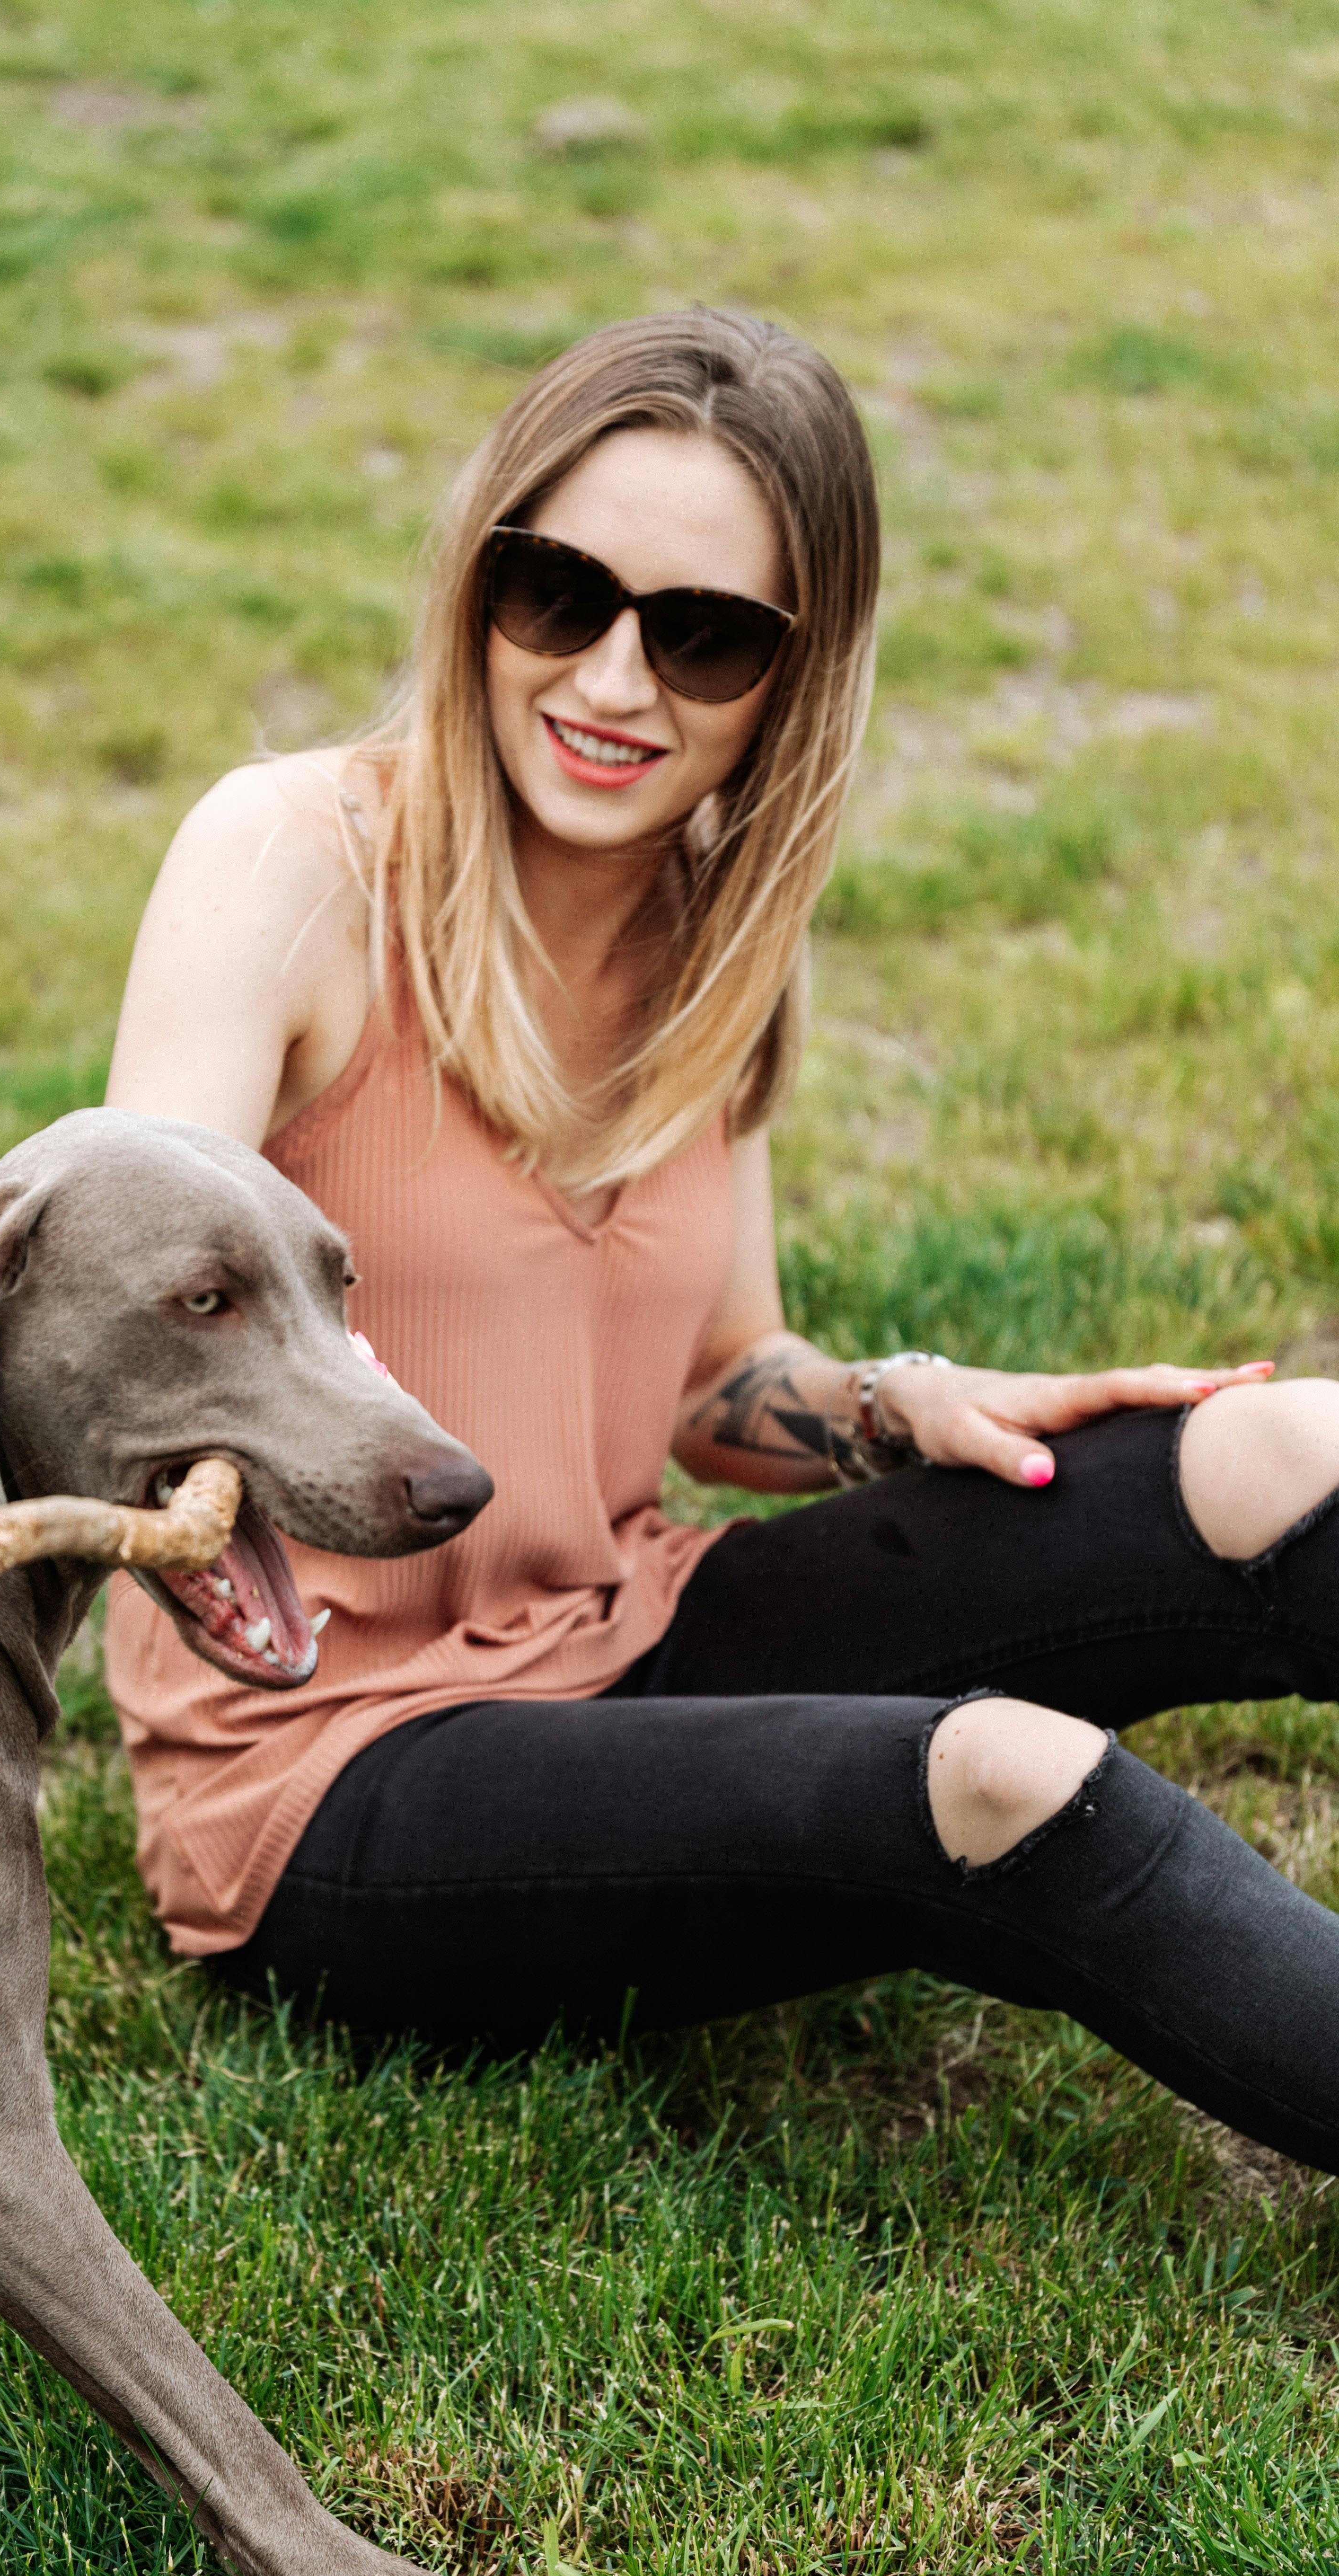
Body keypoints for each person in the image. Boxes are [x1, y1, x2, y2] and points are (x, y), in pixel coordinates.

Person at [104, 306, 1339, 2171]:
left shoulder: (708, 936)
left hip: (632, 1623)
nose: (610, 680)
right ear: (476, 584)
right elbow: (127, 1292)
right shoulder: (289, 867)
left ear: (790, 675)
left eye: (700, 635)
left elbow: (709, 1394)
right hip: (337, 1774)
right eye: (555, 594)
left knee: (1281, 1455)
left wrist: (888, 1403)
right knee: (1001, 1774)